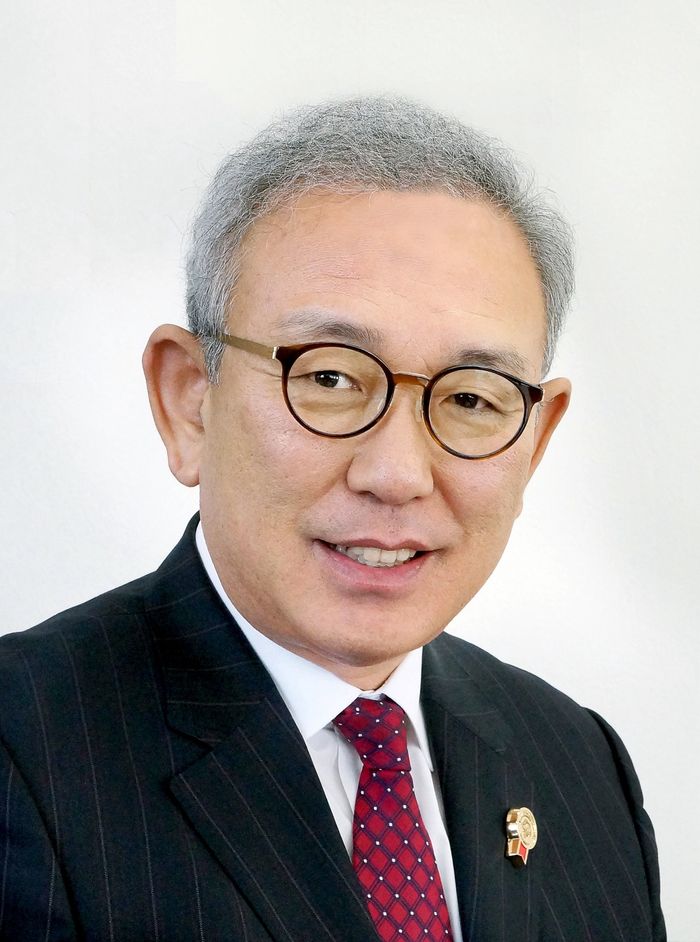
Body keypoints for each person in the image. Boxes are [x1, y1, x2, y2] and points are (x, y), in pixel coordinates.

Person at [0, 97, 665, 942]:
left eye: (470, 398)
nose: (396, 474)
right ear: (189, 401)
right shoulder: (24, 753)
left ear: (535, 440)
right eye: (329, 379)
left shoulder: (577, 762)